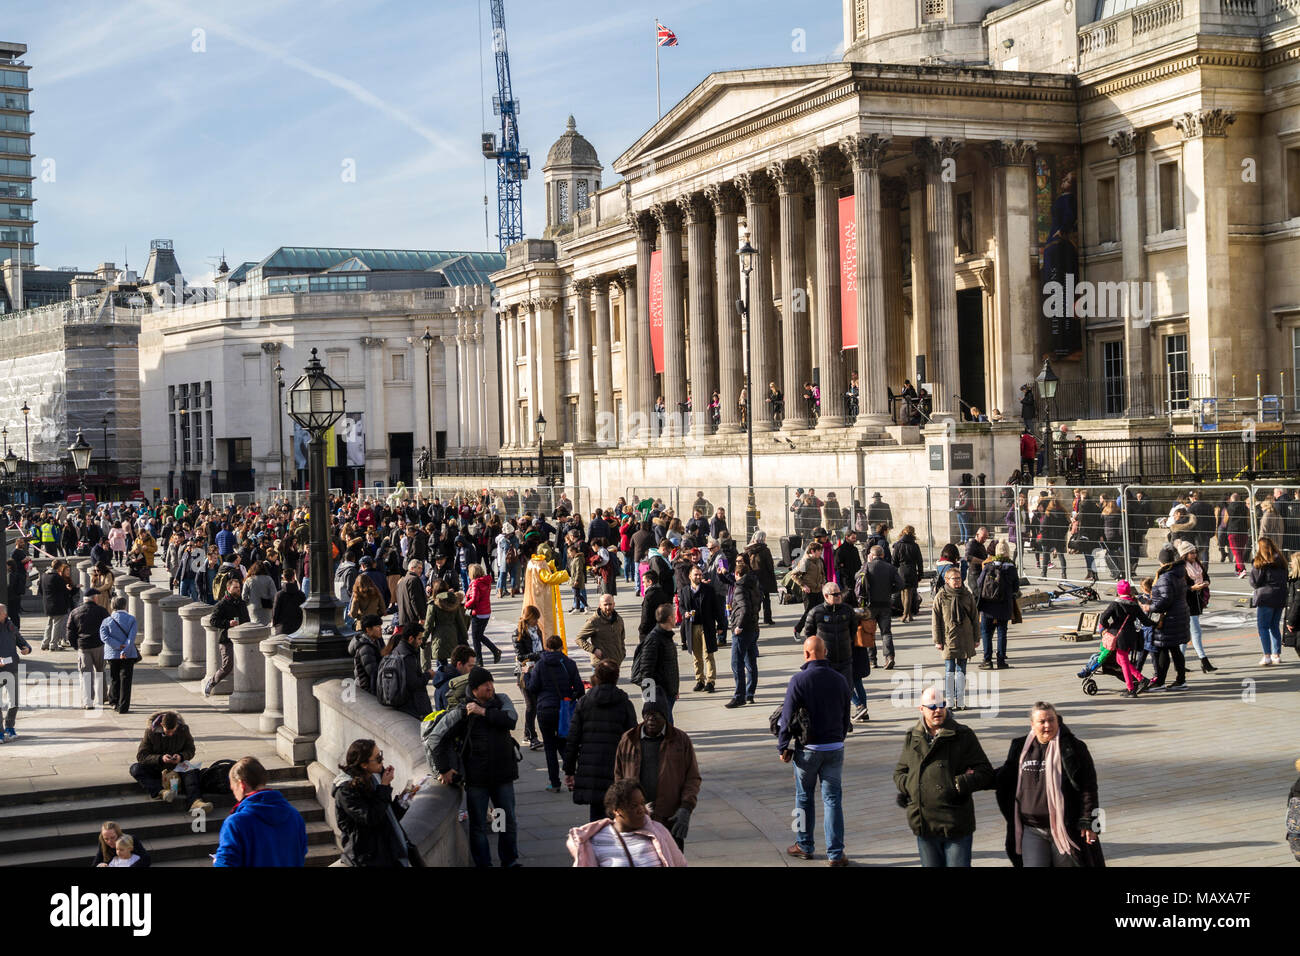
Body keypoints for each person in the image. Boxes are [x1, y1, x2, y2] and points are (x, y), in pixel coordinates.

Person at [427, 667, 522, 867]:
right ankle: (484, 864)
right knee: (478, 825)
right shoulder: (462, 711)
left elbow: (511, 720)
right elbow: (436, 739)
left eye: (491, 683)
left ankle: (509, 861)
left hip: (502, 776)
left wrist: (484, 712)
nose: (490, 687)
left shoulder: (501, 700)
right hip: (477, 779)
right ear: (475, 689)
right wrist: (444, 769)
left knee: (506, 820)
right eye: (485, 685)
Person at [892, 685, 995, 867]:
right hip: (924, 824)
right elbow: (900, 772)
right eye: (932, 706)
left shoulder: (963, 735)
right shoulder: (913, 736)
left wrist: (959, 783)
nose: (937, 710)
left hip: (955, 823)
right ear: (921, 709)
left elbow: (985, 771)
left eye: (941, 705)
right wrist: (912, 787)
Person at [995, 702, 1104, 867]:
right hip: (1032, 829)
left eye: (1051, 720)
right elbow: (1005, 776)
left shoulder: (1073, 748)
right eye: (1042, 722)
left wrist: (1089, 821)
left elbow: (1088, 786)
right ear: (1032, 724)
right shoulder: (1020, 747)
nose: (1048, 725)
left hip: (1064, 828)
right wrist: (976, 777)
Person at [778, 636, 852, 865]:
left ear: (806, 654)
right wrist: (839, 738)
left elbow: (786, 716)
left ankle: (804, 844)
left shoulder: (799, 680)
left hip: (807, 749)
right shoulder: (840, 680)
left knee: (803, 798)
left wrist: (783, 745)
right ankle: (836, 853)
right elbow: (846, 715)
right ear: (825, 652)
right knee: (832, 800)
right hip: (834, 747)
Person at [614, 699, 700, 851]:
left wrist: (686, 808)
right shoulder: (628, 739)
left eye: (657, 715)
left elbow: (692, 778)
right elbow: (618, 777)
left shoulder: (680, 740)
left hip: (669, 818)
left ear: (665, 717)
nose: (651, 719)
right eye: (648, 715)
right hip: (636, 819)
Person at [563, 659, 638, 822]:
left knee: (596, 819)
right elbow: (634, 741)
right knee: (617, 817)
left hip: (592, 768)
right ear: (616, 677)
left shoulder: (585, 702)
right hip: (616, 770)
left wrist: (569, 770)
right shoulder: (624, 703)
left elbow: (573, 739)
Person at [332, 738, 419, 867]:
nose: (382, 761)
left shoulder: (374, 778)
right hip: (368, 857)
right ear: (364, 765)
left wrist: (404, 798)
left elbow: (387, 816)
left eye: (381, 755)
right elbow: (371, 818)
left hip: (388, 849)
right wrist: (384, 787)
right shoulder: (346, 790)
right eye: (378, 758)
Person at [567, 778, 688, 867]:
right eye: (634, 805)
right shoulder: (596, 841)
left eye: (642, 803)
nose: (641, 809)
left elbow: (680, 864)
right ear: (617, 811)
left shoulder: (658, 831)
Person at [214, 756, 309, 867]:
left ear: (241, 785)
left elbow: (226, 863)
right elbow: (300, 854)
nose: (235, 795)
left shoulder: (236, 822)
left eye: (233, 789)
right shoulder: (294, 815)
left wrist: (217, 862)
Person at [526, 634, 586, 793]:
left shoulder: (539, 665)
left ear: (546, 648)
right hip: (563, 710)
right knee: (564, 743)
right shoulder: (569, 664)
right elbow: (580, 689)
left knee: (550, 747)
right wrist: (569, 698)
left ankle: (554, 783)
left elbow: (532, 688)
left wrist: (527, 674)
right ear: (561, 647)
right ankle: (574, 776)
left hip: (545, 709)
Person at [129, 711, 214, 815]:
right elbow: (141, 756)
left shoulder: (183, 730)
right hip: (157, 767)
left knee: (191, 771)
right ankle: (160, 792)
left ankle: (195, 802)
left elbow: (190, 749)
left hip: (177, 766)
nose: (170, 734)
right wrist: (160, 758)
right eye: (167, 731)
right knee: (135, 768)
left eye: (173, 731)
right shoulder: (150, 732)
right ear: (161, 725)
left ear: (177, 725)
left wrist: (181, 756)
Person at [1098, 580, 1155, 697]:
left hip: (1118, 636)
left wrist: (1109, 628)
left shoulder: (1115, 604)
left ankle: (1131, 689)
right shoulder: (1134, 604)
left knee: (1123, 661)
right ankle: (1141, 679)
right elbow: (1145, 621)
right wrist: (1156, 623)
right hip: (1131, 635)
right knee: (1121, 660)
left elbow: (1103, 618)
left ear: (1119, 591)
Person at [801, 581, 856, 700]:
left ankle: (844, 717)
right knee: (827, 693)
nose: (839, 596)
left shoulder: (847, 610)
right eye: (835, 594)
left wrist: (847, 643)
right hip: (826, 660)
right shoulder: (816, 612)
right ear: (826, 596)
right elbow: (809, 634)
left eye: (839, 593)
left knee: (846, 691)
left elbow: (853, 630)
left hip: (845, 659)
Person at [933, 565, 978, 711]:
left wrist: (977, 638)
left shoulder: (967, 595)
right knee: (949, 671)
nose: (957, 581)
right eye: (954, 579)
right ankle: (950, 701)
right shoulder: (941, 596)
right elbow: (936, 620)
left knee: (962, 671)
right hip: (948, 638)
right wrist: (937, 640)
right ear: (947, 580)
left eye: (959, 578)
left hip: (965, 638)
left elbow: (974, 618)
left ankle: (961, 700)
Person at [1147, 545, 1190, 689]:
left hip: (1168, 619)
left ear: (1162, 562)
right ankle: (1181, 679)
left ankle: (1160, 681)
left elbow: (1165, 601)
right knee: (1175, 649)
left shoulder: (1165, 577)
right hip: (1179, 615)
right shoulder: (1178, 573)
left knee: (1163, 648)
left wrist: (1149, 607)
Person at [629, 603, 680, 723]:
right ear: (669, 618)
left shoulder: (666, 637)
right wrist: (650, 698)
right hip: (659, 693)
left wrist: (674, 689)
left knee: (667, 727)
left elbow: (671, 665)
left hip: (668, 691)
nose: (676, 618)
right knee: (665, 728)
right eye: (674, 615)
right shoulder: (654, 639)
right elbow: (646, 670)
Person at [678, 564, 722, 694]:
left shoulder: (708, 590)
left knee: (708, 654)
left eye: (700, 574)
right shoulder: (685, 591)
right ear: (689, 576)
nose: (698, 576)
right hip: (692, 627)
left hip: (706, 626)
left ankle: (710, 681)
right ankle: (699, 680)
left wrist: (720, 625)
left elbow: (716, 608)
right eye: (696, 574)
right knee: (696, 656)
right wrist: (684, 613)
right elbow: (681, 606)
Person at [858, 545, 905, 669]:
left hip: (870, 604)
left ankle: (872, 660)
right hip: (885, 603)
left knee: (869, 632)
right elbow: (901, 584)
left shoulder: (867, 566)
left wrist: (866, 563)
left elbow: (856, 578)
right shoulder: (890, 568)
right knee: (886, 632)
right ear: (883, 555)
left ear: (871, 555)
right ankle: (889, 657)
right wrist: (890, 590)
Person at [975, 541, 1019, 670]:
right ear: (1007, 552)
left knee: (986, 632)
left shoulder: (988, 565)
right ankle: (1001, 660)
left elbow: (979, 583)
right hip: (1004, 605)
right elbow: (1016, 587)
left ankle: (987, 660)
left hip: (988, 604)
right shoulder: (1011, 567)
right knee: (1002, 632)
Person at [725, 555, 761, 708]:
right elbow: (756, 605)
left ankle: (739, 696)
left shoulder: (739, 588)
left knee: (737, 663)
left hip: (743, 630)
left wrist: (738, 626)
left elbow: (744, 609)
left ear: (737, 574)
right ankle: (750, 693)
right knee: (751, 662)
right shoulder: (753, 585)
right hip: (753, 627)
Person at [203, 576, 249, 697]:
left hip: (242, 639)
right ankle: (211, 683)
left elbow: (247, 620)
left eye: (239, 587)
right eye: (235, 588)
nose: (238, 590)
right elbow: (213, 621)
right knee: (227, 665)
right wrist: (228, 623)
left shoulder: (242, 603)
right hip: (226, 639)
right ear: (228, 588)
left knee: (247, 663)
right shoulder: (221, 604)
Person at [379, 622, 434, 719]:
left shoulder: (397, 651)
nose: (421, 642)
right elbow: (414, 684)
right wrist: (428, 674)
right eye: (419, 638)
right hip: (412, 706)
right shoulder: (407, 657)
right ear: (411, 638)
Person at [67, 587, 110, 709]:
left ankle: (88, 702)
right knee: (100, 671)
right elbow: (108, 627)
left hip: (83, 646)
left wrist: (76, 645)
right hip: (99, 645)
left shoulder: (75, 612)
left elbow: (70, 632)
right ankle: (101, 698)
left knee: (86, 674)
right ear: (95, 598)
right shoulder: (102, 611)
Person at [99, 596, 139, 714]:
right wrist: (124, 650)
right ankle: (123, 706)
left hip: (112, 654)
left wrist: (117, 646)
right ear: (125, 606)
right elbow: (131, 638)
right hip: (128, 654)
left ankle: (114, 702)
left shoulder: (106, 620)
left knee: (114, 678)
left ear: (112, 606)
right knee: (126, 680)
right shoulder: (131, 619)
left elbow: (104, 637)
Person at [1251, 536, 1287, 666]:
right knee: (1274, 625)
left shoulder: (1260, 563)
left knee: (1263, 627)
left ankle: (1267, 656)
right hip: (1280, 596)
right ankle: (1276, 654)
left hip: (1266, 597)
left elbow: (1254, 582)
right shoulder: (1281, 561)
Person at [0, 603, 31, 740]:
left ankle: (9, 726)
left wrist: (26, 649)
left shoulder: (11, 626)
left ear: (5, 614)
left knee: (15, 701)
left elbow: (22, 642)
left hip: (12, 668)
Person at [575, 593, 627, 673]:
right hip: (600, 665)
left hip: (615, 663)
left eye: (610, 604)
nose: (608, 607)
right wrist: (593, 650)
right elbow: (579, 639)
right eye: (605, 605)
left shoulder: (619, 620)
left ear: (614, 604)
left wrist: (622, 653)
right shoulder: (594, 621)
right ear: (600, 605)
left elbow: (622, 638)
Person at [424, 588, 470, 671]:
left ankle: (442, 678)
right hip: (452, 634)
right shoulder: (454, 602)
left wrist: (423, 638)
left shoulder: (434, 604)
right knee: (453, 659)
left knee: (441, 660)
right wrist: (464, 635)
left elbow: (428, 624)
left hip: (439, 635)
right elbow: (460, 622)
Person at [38, 559, 76, 651]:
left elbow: (40, 591)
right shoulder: (57, 577)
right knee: (57, 625)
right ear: (59, 567)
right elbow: (64, 592)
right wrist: (69, 589)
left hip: (47, 603)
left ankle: (45, 643)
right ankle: (53, 644)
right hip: (58, 604)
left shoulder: (43, 576)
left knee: (49, 624)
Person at [891, 526, 924, 623]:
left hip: (901, 570)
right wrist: (920, 574)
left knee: (903, 592)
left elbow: (894, 561)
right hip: (912, 570)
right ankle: (907, 614)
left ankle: (905, 614)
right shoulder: (915, 545)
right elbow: (920, 561)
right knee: (908, 593)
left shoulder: (898, 545)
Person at [745, 530, 778, 625]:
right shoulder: (765, 550)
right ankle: (767, 618)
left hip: (753, 577)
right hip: (765, 577)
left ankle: (754, 618)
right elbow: (770, 565)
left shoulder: (748, 549)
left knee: (755, 599)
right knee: (766, 599)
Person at [349, 613, 385, 694]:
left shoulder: (377, 641)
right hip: (366, 689)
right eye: (377, 626)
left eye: (380, 626)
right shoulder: (365, 647)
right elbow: (373, 672)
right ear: (368, 629)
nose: (381, 629)